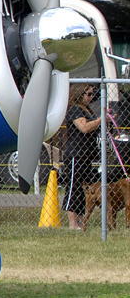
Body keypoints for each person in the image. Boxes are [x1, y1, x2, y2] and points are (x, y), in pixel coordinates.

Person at [61, 84, 101, 229]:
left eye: (92, 95)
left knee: (82, 189)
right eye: (88, 94)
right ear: (80, 94)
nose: (91, 97)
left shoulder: (88, 110)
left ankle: (80, 221)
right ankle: (72, 223)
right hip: (75, 154)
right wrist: (99, 120)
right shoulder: (74, 110)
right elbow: (84, 128)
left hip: (86, 154)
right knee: (74, 187)